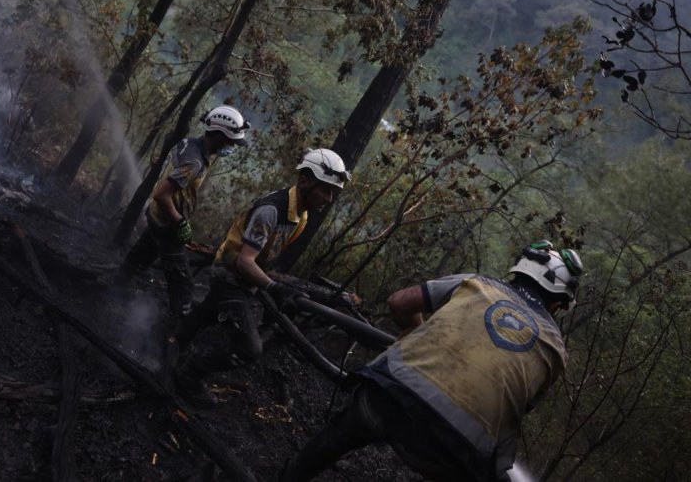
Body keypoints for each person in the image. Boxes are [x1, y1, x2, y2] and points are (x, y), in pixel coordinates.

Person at [280, 240, 585, 481]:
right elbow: (521, 406)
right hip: (455, 447)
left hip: (389, 394)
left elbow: (399, 302)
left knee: (341, 433)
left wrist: (415, 333)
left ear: (521, 270)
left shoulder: (476, 283)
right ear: (558, 303)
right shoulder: (556, 351)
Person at [172, 148, 352, 404]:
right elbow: (245, 261)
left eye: (332, 192)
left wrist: (271, 283)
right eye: (325, 189)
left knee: (208, 311)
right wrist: (274, 287)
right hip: (229, 276)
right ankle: (189, 375)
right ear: (304, 181)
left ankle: (176, 337)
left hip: (242, 279)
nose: (328, 198)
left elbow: (262, 256)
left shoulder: (300, 214)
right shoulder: (271, 210)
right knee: (250, 349)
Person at [115, 105, 250, 316]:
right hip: (168, 224)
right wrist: (180, 222)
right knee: (183, 285)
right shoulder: (194, 162)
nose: (232, 146)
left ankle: (115, 290)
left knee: (140, 257)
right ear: (218, 136)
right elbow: (161, 194)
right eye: (231, 141)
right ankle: (174, 324)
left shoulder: (190, 144)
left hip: (156, 216)